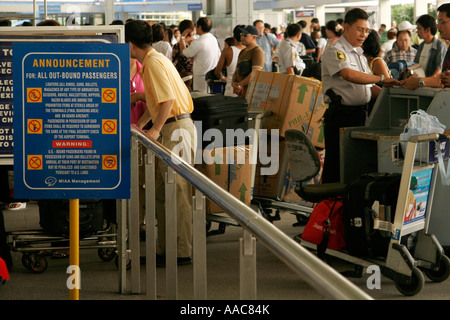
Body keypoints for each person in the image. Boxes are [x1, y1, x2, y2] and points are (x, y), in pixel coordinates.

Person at [125, 20, 197, 267]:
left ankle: (180, 252)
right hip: (172, 127)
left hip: (175, 128)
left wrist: (154, 129)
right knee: (164, 192)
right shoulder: (153, 60)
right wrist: (143, 125)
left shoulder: (153, 63)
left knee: (176, 192)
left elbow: (167, 100)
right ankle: (166, 249)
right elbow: (156, 101)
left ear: (130, 44)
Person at [321, 8, 399, 183]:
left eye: (367, 31)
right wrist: (382, 79)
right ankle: (329, 209)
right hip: (341, 117)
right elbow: (349, 74)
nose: (364, 34)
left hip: (360, 115)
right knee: (337, 167)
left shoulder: (360, 55)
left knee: (356, 166)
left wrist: (394, 97)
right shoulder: (335, 51)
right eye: (360, 29)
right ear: (346, 27)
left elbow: (370, 88)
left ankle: (351, 208)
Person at [403, 3, 450, 89]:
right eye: (438, 22)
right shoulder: (421, 46)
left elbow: (439, 72)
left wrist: (421, 82)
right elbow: (443, 78)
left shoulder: (440, 45)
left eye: (442, 22)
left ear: (427, 29)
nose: (438, 27)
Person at [181, 17, 221, 93]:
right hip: (212, 75)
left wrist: (182, 37)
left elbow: (184, 53)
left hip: (201, 77)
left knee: (201, 99)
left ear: (199, 27)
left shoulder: (199, 42)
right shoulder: (213, 39)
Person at [231, 25, 264, 98]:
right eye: (241, 35)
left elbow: (255, 73)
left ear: (254, 37)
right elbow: (237, 70)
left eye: (245, 35)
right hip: (241, 95)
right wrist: (233, 83)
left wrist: (241, 84)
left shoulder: (257, 51)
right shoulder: (242, 52)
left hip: (251, 95)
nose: (242, 37)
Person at [214, 25, 245, 96]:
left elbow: (217, 72)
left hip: (231, 89)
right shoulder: (250, 51)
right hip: (245, 89)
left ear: (233, 36)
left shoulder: (227, 51)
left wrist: (223, 78)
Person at [172, 19, 195, 91]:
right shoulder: (196, 43)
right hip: (194, 77)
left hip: (180, 77)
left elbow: (174, 62)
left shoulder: (176, 45)